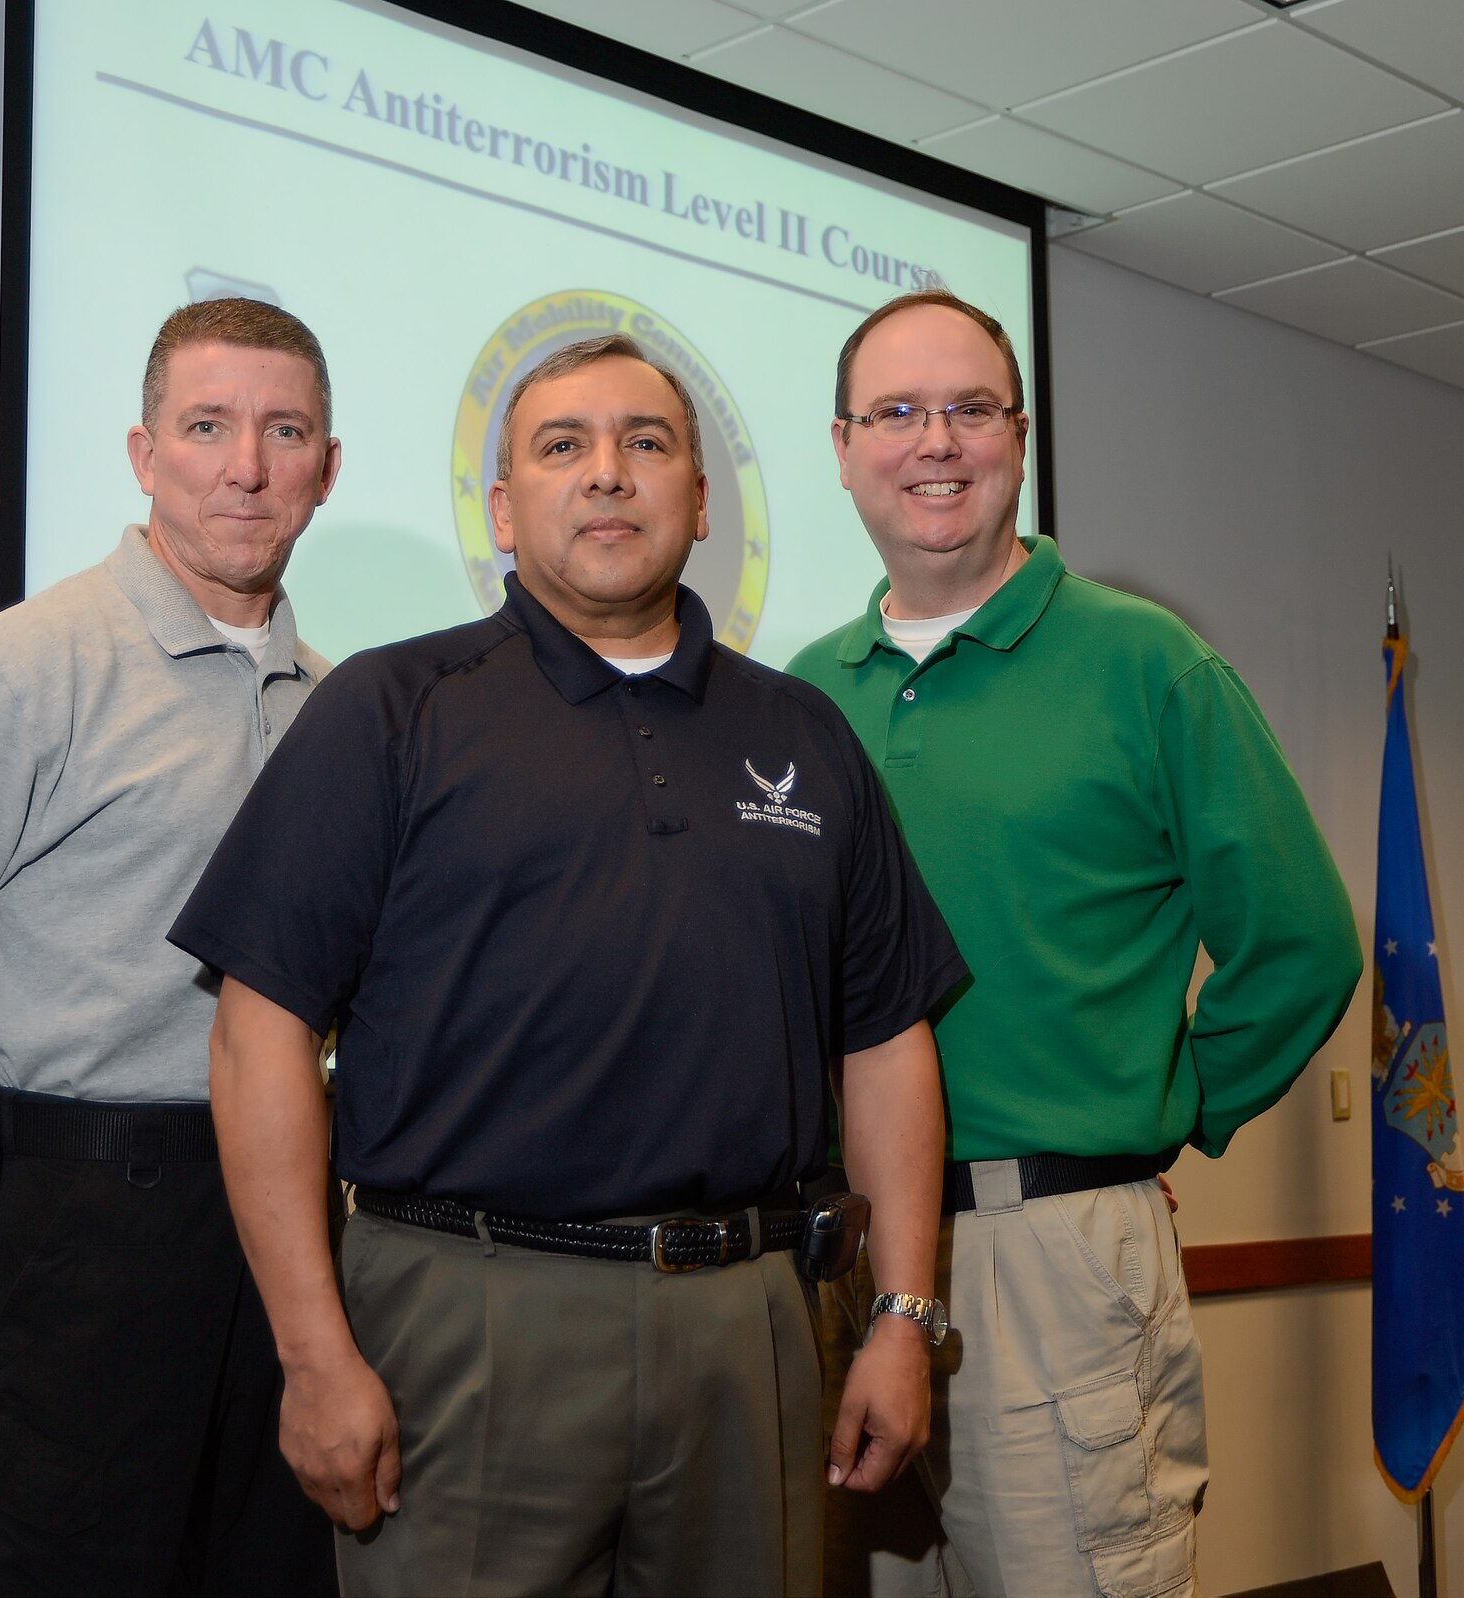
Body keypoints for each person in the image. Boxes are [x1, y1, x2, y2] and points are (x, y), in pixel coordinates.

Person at [167, 334, 969, 1598]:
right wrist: (314, 1354)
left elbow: (881, 1040)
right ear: (502, 507)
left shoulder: (803, 734)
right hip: (465, 1320)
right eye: (562, 446)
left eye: (646, 443)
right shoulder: (388, 709)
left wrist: (904, 1316)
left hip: (746, 1326)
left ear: (701, 504)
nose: (607, 473)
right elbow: (253, 1034)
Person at [790, 289, 1362, 1598]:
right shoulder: (798, 693)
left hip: (1048, 1260)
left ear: (1022, 436)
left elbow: (1302, 943)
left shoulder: (1147, 665)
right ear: (841, 445)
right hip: (835, 1264)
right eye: (897, 412)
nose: (935, 441)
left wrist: (1154, 1115)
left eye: (970, 409)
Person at [0, 298, 345, 1596]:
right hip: (76, 1247)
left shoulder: (343, 704)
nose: (246, 465)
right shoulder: (26, 665)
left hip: (288, 1249)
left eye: (283, 430)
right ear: (146, 456)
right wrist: (0, 1158)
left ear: (327, 465)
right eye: (207, 427)